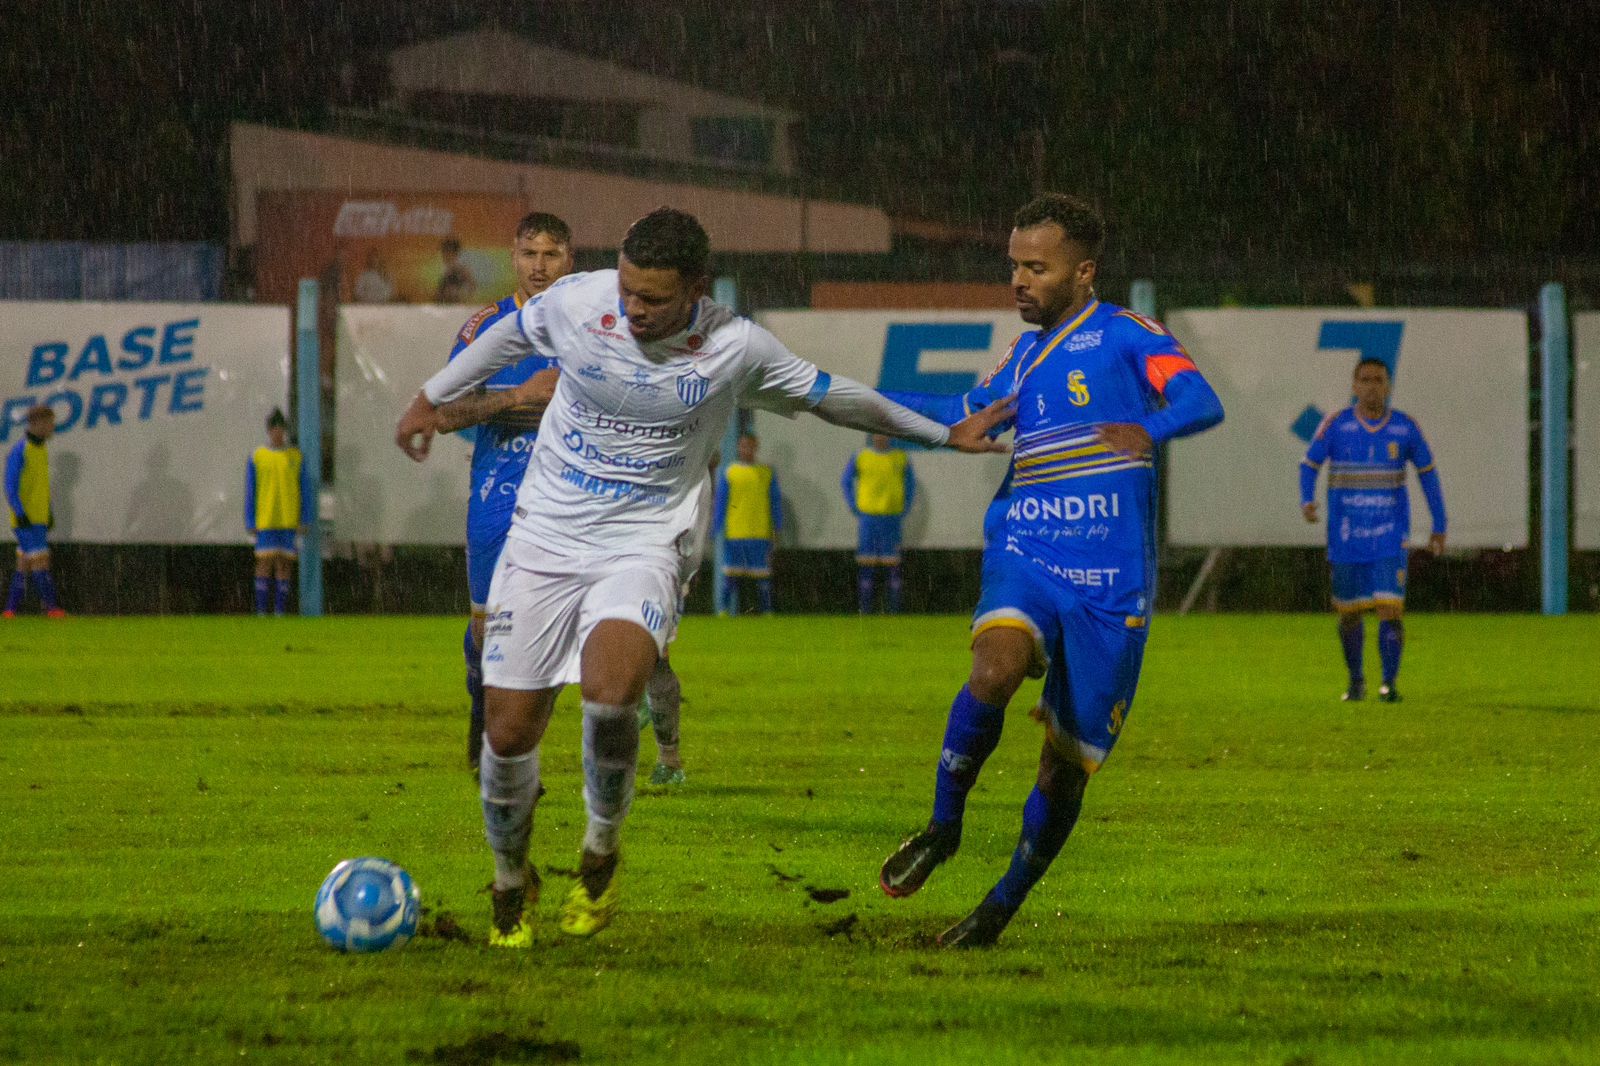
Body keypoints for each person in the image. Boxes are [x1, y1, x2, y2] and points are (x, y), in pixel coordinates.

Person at [395, 206, 1010, 949]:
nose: (632, 309)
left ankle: (599, 853)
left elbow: (834, 396)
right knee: (507, 734)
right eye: (627, 291)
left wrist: (944, 432)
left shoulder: (735, 346)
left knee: (612, 694)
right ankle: (509, 879)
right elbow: (512, 334)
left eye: (652, 298)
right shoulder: (581, 300)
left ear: (696, 288)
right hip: (546, 536)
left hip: (644, 541)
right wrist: (432, 394)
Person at [876, 193, 1224, 947]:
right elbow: (961, 409)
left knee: (1063, 771)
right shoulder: (1023, 356)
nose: (1019, 281)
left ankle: (997, 909)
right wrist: (844, 400)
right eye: (1014, 266)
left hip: (1112, 583)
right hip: (1028, 548)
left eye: (1037, 267)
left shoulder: (1131, 336)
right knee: (994, 671)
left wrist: (1151, 428)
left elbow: (1200, 400)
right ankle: (943, 826)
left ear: (1084, 271)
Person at [431, 211, 573, 771]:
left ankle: (515, 752)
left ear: (571, 258)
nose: (540, 267)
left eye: (552, 254)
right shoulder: (485, 328)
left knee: (559, 633)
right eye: (530, 254)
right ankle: (481, 707)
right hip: (499, 494)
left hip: (571, 499)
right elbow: (444, 414)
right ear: (513, 258)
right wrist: (518, 398)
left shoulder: (595, 326)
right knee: (486, 631)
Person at [1300, 358, 1446, 703]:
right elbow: (1309, 464)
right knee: (1349, 613)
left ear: (1388, 385)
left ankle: (1388, 683)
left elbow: (1428, 473)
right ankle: (1356, 681)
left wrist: (1440, 525)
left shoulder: (1405, 428)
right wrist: (1306, 500)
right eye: (1364, 380)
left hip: (1389, 535)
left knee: (1390, 608)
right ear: (1354, 386)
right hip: (1347, 535)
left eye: (1378, 380)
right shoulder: (1336, 425)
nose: (1371, 386)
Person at [245, 409, 314, 616]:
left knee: (285, 564)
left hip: (288, 519)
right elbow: (251, 489)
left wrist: (305, 518)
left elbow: (305, 489)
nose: (278, 433)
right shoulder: (258, 456)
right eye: (275, 429)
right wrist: (250, 519)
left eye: (281, 429)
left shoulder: (295, 456)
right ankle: (260, 610)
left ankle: (280, 611)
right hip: (266, 519)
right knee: (264, 563)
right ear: (269, 431)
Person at [842, 433, 916, 613]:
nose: (880, 437)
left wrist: (904, 507)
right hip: (869, 518)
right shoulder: (861, 456)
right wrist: (854, 505)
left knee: (893, 567)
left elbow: (910, 485)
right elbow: (846, 481)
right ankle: (865, 611)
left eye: (884, 433)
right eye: (877, 433)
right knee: (866, 567)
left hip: (891, 519)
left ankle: (894, 611)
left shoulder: (900, 457)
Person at [4, 406, 65, 618]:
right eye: (49, 423)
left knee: (24, 565)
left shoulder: (42, 450)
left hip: (38, 517)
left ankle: (10, 610)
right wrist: (20, 513)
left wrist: (48, 512)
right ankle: (52, 608)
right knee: (41, 561)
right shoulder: (21, 450)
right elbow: (10, 485)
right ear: (36, 423)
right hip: (26, 519)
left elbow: (41, 485)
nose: (52, 427)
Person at [713, 433, 781, 615]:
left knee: (763, 577)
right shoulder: (730, 472)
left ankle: (767, 613)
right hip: (736, 532)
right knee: (731, 576)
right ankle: (723, 613)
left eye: (750, 446)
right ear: (738, 447)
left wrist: (777, 528)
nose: (746, 450)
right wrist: (715, 529)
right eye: (743, 446)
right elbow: (721, 503)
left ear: (756, 447)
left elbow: (775, 502)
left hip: (760, 533)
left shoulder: (766, 473)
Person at [436, 238, 477, 303]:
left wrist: (467, 300)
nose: (445, 255)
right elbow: (440, 290)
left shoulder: (461, 268)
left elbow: (472, 284)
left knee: (452, 292)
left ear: (455, 253)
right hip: (444, 302)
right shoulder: (442, 265)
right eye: (444, 252)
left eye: (449, 252)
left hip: (457, 301)